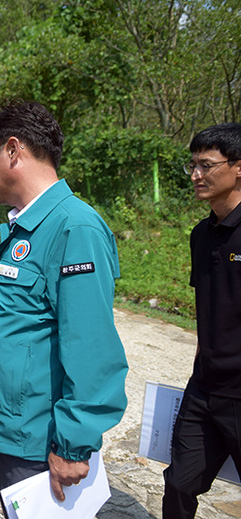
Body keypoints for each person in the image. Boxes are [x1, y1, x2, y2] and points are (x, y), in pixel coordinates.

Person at [0, 101, 129, 516]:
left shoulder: (74, 228)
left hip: (40, 442)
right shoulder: (24, 229)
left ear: (13, 150)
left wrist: (73, 444)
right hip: (13, 433)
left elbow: (91, 349)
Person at [162, 122, 241, 518]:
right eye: (192, 165)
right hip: (204, 389)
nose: (195, 175)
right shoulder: (201, 234)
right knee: (179, 483)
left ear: (238, 168)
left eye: (206, 165)